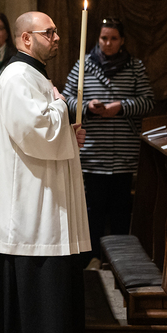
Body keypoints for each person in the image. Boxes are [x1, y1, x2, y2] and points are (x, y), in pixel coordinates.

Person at [0, 11, 89, 333]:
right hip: (28, 191)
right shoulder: (17, 76)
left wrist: (68, 134)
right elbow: (34, 131)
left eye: (56, 32)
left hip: (43, 184)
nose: (56, 38)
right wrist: (61, 107)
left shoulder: (33, 74)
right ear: (26, 38)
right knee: (35, 248)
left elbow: (45, 128)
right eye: (49, 32)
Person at [62, 18, 154, 255]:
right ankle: (93, 256)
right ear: (98, 39)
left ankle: (119, 259)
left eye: (114, 38)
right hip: (93, 153)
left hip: (123, 154)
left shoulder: (135, 66)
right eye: (104, 38)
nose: (108, 43)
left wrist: (121, 107)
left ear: (122, 40)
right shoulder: (83, 65)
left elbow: (148, 101)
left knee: (121, 209)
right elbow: (65, 100)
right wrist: (87, 106)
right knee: (92, 209)